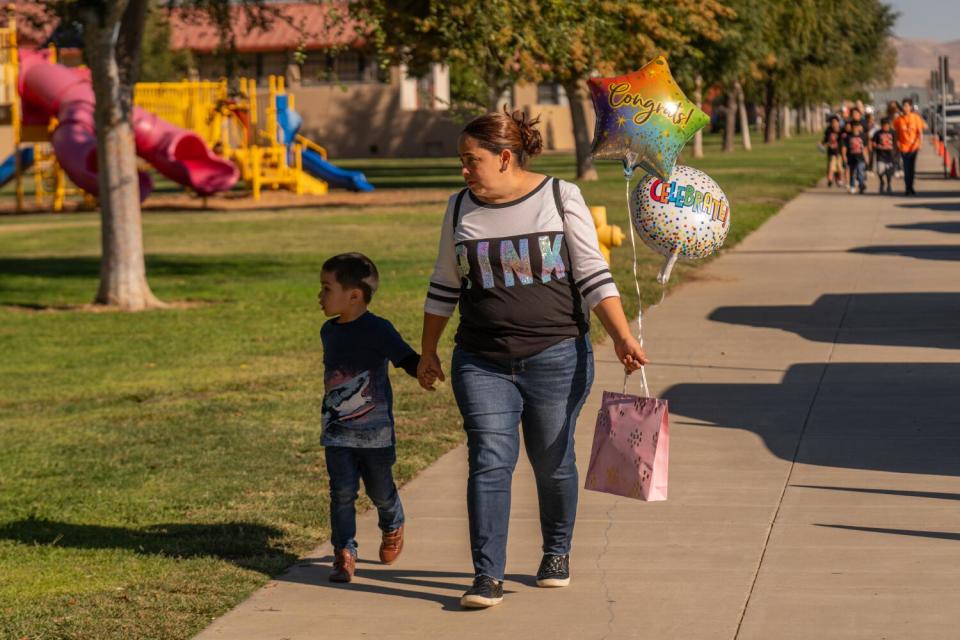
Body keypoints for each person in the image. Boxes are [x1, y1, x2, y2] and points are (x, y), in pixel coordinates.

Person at [417, 108, 647, 609]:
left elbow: (592, 277)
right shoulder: (459, 208)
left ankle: (557, 550)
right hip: (481, 360)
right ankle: (486, 576)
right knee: (489, 461)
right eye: (461, 160)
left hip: (557, 356)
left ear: (504, 158)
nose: (463, 170)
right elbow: (443, 284)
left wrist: (623, 337)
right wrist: (429, 349)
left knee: (551, 462)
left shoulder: (560, 197)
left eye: (470, 159)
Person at [318, 252, 420, 583]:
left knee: (380, 492)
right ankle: (344, 553)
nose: (319, 296)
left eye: (326, 288)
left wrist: (424, 371)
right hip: (337, 433)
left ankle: (392, 524)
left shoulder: (379, 329)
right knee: (342, 493)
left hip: (375, 434)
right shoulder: (328, 331)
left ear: (354, 295)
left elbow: (405, 357)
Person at [893, 98, 925, 196]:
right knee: (906, 169)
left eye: (907, 106)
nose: (905, 108)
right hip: (904, 148)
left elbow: (920, 132)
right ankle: (908, 188)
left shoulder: (916, 118)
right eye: (904, 106)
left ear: (911, 107)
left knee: (912, 168)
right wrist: (897, 143)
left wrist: (920, 143)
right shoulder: (899, 120)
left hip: (914, 147)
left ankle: (911, 187)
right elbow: (896, 133)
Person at [872, 117, 897, 194]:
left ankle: (889, 185)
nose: (885, 127)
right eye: (884, 125)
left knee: (889, 172)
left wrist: (894, 150)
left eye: (887, 125)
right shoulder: (877, 133)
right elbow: (873, 143)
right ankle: (882, 182)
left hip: (890, 156)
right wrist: (877, 146)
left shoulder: (893, 132)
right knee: (880, 171)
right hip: (880, 156)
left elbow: (896, 143)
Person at [843, 121, 869, 194]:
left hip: (861, 158)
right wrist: (844, 157)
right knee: (852, 173)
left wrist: (867, 159)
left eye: (857, 127)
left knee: (860, 172)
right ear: (851, 128)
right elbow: (845, 148)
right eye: (854, 127)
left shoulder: (863, 136)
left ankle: (861, 185)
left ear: (859, 127)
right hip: (851, 158)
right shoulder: (848, 137)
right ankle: (852, 186)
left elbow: (865, 149)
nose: (855, 129)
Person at [822, 116, 844, 186]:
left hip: (839, 152)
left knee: (839, 168)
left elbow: (843, 140)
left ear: (838, 123)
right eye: (833, 122)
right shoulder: (828, 131)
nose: (834, 124)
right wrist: (823, 144)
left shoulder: (841, 131)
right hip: (831, 152)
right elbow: (825, 140)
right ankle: (830, 180)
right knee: (831, 167)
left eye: (836, 122)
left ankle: (839, 179)